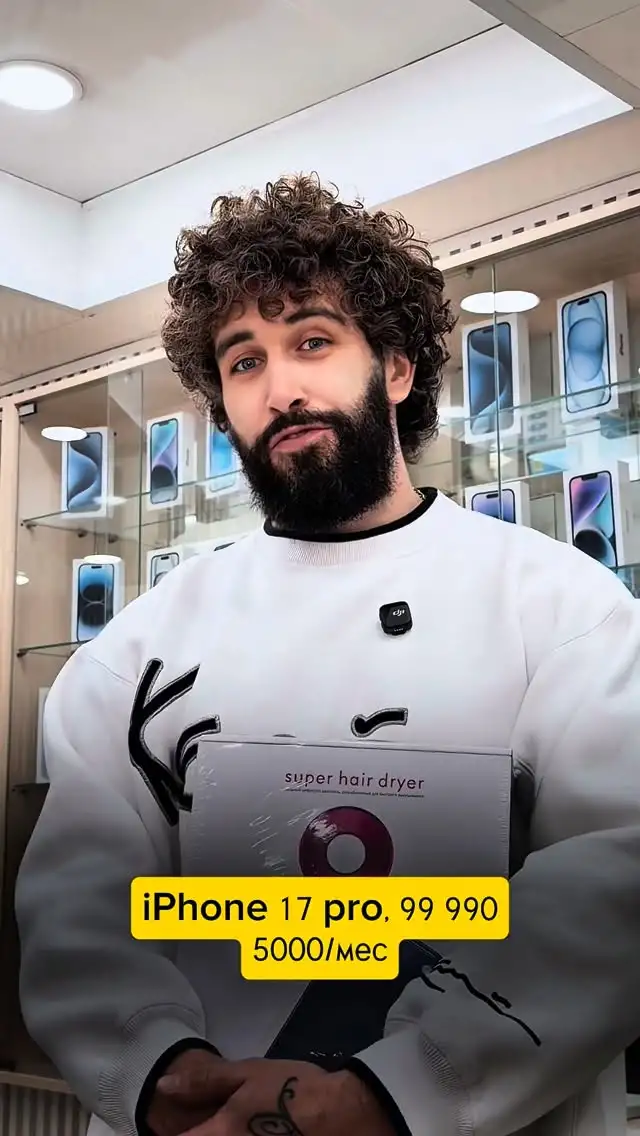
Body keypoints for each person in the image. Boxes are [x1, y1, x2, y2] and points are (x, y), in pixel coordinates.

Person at [15, 174, 640, 1136]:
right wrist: (162, 1068)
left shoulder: (559, 606)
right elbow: (78, 906)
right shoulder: (138, 646)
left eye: (312, 341)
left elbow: (609, 885)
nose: (281, 389)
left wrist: (398, 1088)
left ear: (395, 368)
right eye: (243, 362)